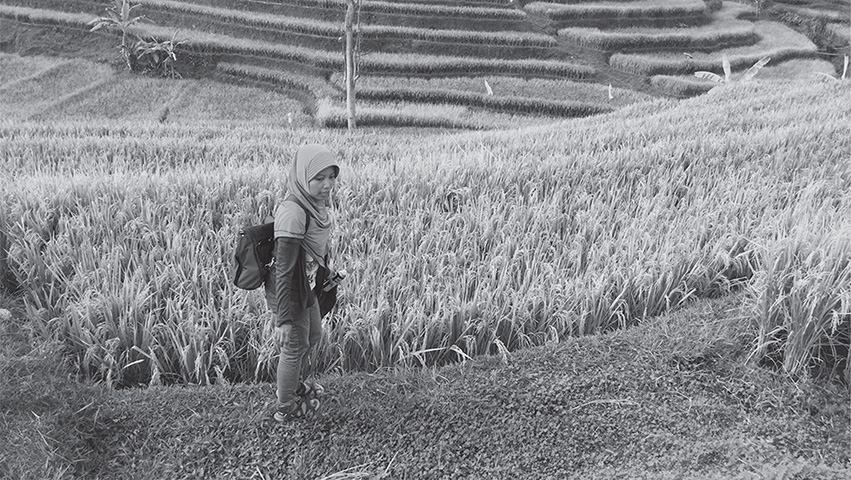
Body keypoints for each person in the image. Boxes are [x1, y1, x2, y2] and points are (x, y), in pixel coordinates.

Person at [265, 144, 339, 422]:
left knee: (313, 336)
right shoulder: (294, 213)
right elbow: (283, 270)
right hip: (289, 293)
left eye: (331, 176)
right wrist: (283, 319)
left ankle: (294, 385)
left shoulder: (315, 207)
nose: (327, 185)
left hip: (306, 287)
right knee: (294, 345)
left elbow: (313, 253)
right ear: (302, 176)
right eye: (319, 178)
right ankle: (285, 408)